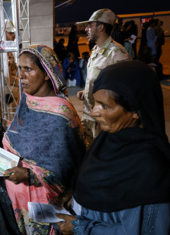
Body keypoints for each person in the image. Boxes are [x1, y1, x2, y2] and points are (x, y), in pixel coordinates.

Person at [0, 45, 86, 235]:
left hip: (43, 198)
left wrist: (29, 175)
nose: (21, 75)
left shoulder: (61, 113)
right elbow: (28, 134)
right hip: (18, 194)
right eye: (20, 68)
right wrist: (3, 124)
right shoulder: (28, 99)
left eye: (29, 69)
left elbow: (68, 164)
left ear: (47, 73)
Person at [56, 60, 170, 235]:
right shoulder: (106, 141)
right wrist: (74, 195)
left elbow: (148, 231)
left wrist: (81, 227)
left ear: (136, 111)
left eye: (105, 106)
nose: (94, 112)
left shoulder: (152, 167)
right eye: (95, 102)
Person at [76, 8, 130, 144]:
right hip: (89, 116)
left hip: (103, 121)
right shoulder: (95, 50)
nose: (86, 29)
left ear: (100, 27)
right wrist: (86, 91)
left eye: (90, 25)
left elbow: (126, 91)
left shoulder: (116, 53)